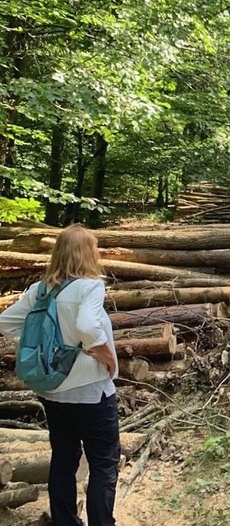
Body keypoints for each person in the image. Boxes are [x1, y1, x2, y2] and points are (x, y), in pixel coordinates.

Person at [0, 224, 119, 526]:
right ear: (84, 253)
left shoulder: (40, 290)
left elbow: (6, 323)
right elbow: (88, 326)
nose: (98, 252)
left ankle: (66, 522)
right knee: (104, 463)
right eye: (94, 246)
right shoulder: (91, 286)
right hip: (91, 390)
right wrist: (103, 353)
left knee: (64, 459)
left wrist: (42, 345)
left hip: (53, 391)